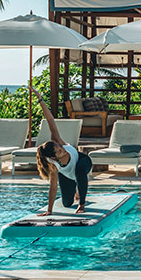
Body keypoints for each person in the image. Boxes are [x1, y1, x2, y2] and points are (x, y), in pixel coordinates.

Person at [32, 86, 92, 215]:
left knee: (80, 171)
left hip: (82, 161)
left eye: (60, 147)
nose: (63, 150)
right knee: (67, 203)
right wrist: (49, 211)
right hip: (67, 173)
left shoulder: (58, 142)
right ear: (54, 158)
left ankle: (82, 203)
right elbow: (53, 188)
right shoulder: (53, 165)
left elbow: (50, 120)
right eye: (59, 151)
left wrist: (40, 100)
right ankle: (76, 189)